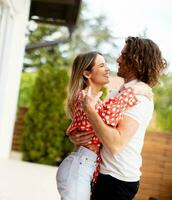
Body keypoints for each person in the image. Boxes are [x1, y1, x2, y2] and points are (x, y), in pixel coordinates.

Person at [70, 37, 167, 200]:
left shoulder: (141, 98)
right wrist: (76, 136)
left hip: (117, 179)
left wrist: (90, 112)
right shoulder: (119, 92)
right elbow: (98, 127)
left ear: (136, 60)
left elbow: (115, 143)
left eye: (123, 55)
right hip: (100, 172)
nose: (118, 60)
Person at [56, 51, 150, 200]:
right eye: (101, 65)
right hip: (80, 166)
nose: (107, 68)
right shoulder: (84, 97)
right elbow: (108, 116)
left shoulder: (96, 100)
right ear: (87, 73)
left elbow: (98, 123)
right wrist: (135, 91)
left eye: (106, 64)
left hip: (86, 165)